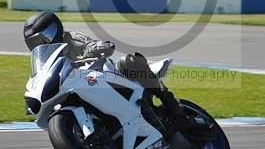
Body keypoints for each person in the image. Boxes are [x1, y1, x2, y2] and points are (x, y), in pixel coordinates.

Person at [22, 11, 187, 133]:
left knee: (129, 61)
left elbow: (90, 45)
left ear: (53, 29)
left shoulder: (71, 39)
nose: (39, 43)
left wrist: (96, 47)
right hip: (78, 90)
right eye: (34, 42)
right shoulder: (45, 60)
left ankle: (172, 105)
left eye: (41, 38)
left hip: (103, 77)